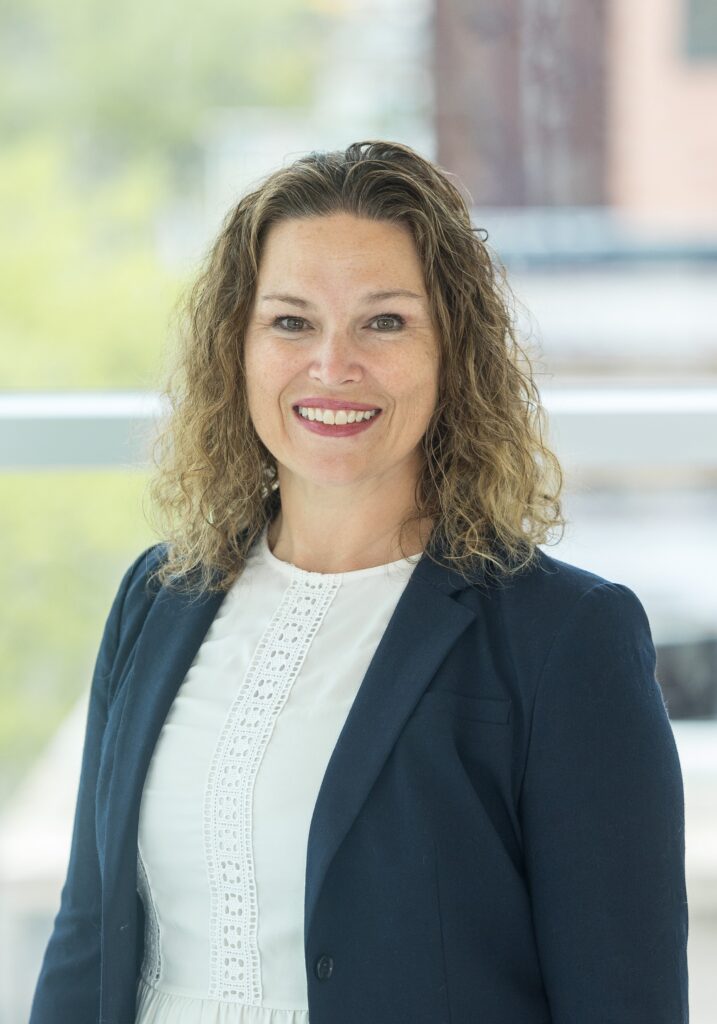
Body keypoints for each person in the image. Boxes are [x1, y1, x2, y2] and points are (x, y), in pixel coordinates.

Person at [29, 140, 688, 1024]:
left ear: (452, 350)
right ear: (237, 347)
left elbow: (622, 998)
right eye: (290, 322)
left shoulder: (564, 635)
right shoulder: (159, 595)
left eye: (384, 322)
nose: (333, 365)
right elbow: (86, 936)